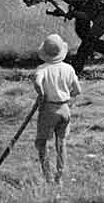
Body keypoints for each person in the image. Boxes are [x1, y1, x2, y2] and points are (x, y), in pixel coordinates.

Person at [33, 33, 81, 184]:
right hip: (65, 109)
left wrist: (41, 95)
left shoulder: (43, 69)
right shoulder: (68, 68)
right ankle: (59, 178)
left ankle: (47, 177)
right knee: (61, 143)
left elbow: (37, 82)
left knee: (41, 143)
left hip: (49, 109)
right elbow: (77, 90)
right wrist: (67, 96)